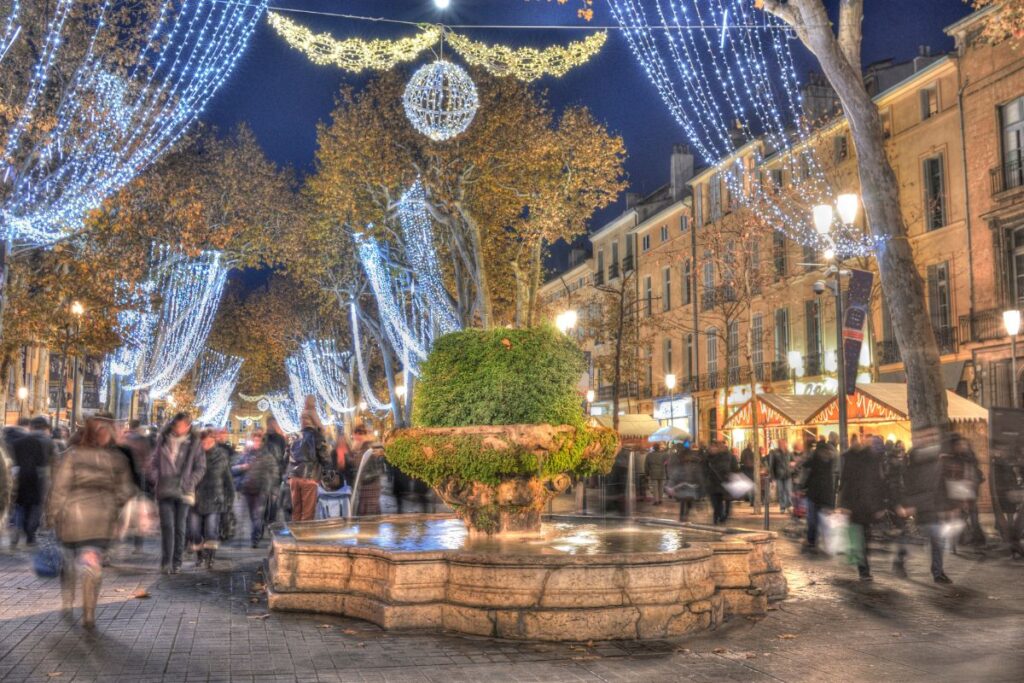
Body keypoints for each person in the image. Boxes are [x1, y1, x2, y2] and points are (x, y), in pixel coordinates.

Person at [46, 417, 136, 628]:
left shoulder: (72, 456)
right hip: (101, 519)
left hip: (72, 518)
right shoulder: (116, 459)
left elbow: (59, 488)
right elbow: (125, 491)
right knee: (92, 563)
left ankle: (68, 600)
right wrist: (114, 507)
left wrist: (51, 515)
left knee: (68, 561)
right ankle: (89, 613)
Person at [150, 413, 206, 574]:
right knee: (167, 526)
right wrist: (156, 478)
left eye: (182, 425)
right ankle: (166, 562)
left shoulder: (194, 443)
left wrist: (191, 481)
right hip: (165, 487)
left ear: (188, 427)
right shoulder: (163, 439)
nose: (178, 428)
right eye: (176, 425)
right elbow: (153, 462)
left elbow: (201, 467)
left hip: (184, 490)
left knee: (180, 527)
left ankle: (177, 562)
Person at [896, 428, 954, 583]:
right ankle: (900, 559)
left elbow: (940, 485)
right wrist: (906, 504)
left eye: (933, 435)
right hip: (918, 505)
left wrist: (947, 506)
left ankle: (937, 572)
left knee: (934, 538)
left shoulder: (935, 460)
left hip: (930, 505)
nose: (931, 438)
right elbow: (906, 484)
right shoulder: (913, 459)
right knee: (913, 536)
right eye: (927, 435)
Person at [838, 436, 886, 580]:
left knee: (862, 537)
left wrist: (843, 504)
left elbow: (845, 483)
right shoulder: (866, 459)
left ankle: (862, 567)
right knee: (863, 537)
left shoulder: (856, 459)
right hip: (862, 504)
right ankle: (863, 568)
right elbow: (877, 482)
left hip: (859, 505)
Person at [10, 416, 56, 547]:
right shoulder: (48, 441)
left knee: (19, 504)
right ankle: (30, 534)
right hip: (40, 476)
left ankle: (17, 528)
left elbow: (13, 458)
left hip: (20, 474)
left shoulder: (20, 441)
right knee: (36, 505)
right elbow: (52, 460)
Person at [190, 430, 233, 568]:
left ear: (214, 441)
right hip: (195, 499)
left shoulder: (221, 456)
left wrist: (230, 497)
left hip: (215, 499)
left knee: (211, 531)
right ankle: (199, 555)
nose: (206, 444)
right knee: (194, 531)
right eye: (204, 442)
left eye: (209, 441)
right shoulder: (193, 457)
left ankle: (210, 558)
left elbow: (227, 478)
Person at [286, 407, 331, 522]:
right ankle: (304, 537)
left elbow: (286, 457)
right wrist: (327, 474)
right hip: (309, 477)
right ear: (313, 421)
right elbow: (324, 457)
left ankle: (296, 534)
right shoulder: (316, 436)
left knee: (296, 510)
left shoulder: (294, 436)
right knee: (308, 513)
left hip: (293, 477)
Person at [237, 430, 279, 547]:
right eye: (254, 440)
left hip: (262, 489)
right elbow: (234, 469)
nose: (256, 443)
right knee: (252, 515)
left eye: (258, 440)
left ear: (261, 442)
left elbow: (274, 472)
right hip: (248, 489)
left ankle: (255, 538)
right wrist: (241, 467)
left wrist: (273, 488)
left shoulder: (267, 456)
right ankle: (257, 533)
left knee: (258, 515)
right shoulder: (246, 455)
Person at [801, 436, 837, 552]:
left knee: (813, 519)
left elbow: (807, 469)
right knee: (824, 519)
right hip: (825, 494)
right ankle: (828, 542)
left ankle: (812, 541)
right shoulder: (830, 461)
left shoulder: (815, 459)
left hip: (814, 494)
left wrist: (803, 487)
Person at [347, 425, 385, 516]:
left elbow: (361, 464)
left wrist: (354, 452)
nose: (355, 437)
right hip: (365, 484)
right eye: (355, 434)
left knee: (369, 512)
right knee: (366, 510)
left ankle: (370, 529)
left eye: (358, 434)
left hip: (370, 484)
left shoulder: (368, 447)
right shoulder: (361, 447)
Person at [665, 441, 705, 521]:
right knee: (684, 501)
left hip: (691, 486)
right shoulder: (681, 465)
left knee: (688, 501)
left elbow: (699, 477)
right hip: (683, 486)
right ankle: (683, 516)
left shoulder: (694, 465)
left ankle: (685, 514)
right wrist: (670, 485)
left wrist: (701, 489)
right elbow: (675, 476)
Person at [705, 441, 738, 525]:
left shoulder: (727, 457)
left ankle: (720, 517)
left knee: (720, 503)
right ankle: (718, 517)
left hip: (722, 483)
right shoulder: (708, 458)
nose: (713, 449)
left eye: (716, 447)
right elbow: (704, 470)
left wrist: (731, 477)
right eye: (712, 447)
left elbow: (734, 469)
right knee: (716, 504)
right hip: (712, 484)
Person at [264, 417, 289, 524]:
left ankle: (271, 518)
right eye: (271, 423)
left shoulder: (280, 439)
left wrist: (283, 469)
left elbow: (284, 455)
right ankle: (266, 517)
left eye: (274, 423)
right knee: (265, 496)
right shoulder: (264, 438)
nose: (272, 425)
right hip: (265, 471)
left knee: (274, 496)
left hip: (276, 471)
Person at [768, 441, 794, 513]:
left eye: (784, 443)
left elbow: (793, 461)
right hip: (779, 475)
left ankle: (789, 505)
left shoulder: (789, 452)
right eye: (781, 444)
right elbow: (772, 465)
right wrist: (772, 477)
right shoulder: (775, 453)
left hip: (788, 475)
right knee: (781, 492)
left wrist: (792, 466)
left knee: (788, 491)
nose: (783, 445)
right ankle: (782, 507)